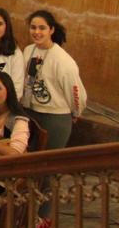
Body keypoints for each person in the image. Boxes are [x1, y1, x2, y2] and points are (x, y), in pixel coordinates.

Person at [21, 10, 85, 152]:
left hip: (54, 118)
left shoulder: (63, 60)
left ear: (51, 30)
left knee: (48, 163)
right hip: (29, 111)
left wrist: (75, 112)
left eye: (42, 28)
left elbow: (75, 92)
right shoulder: (28, 50)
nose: (36, 32)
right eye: (33, 27)